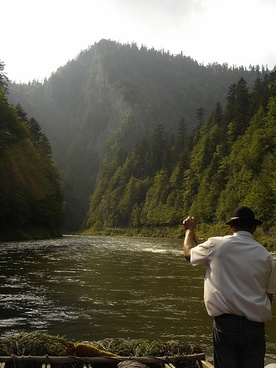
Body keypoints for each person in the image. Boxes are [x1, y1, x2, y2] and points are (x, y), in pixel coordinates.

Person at [182, 206, 276, 368]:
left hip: (226, 326)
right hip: (255, 328)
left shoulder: (216, 245)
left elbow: (188, 253)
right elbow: (268, 297)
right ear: (254, 228)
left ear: (232, 227)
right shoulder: (267, 257)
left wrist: (189, 231)